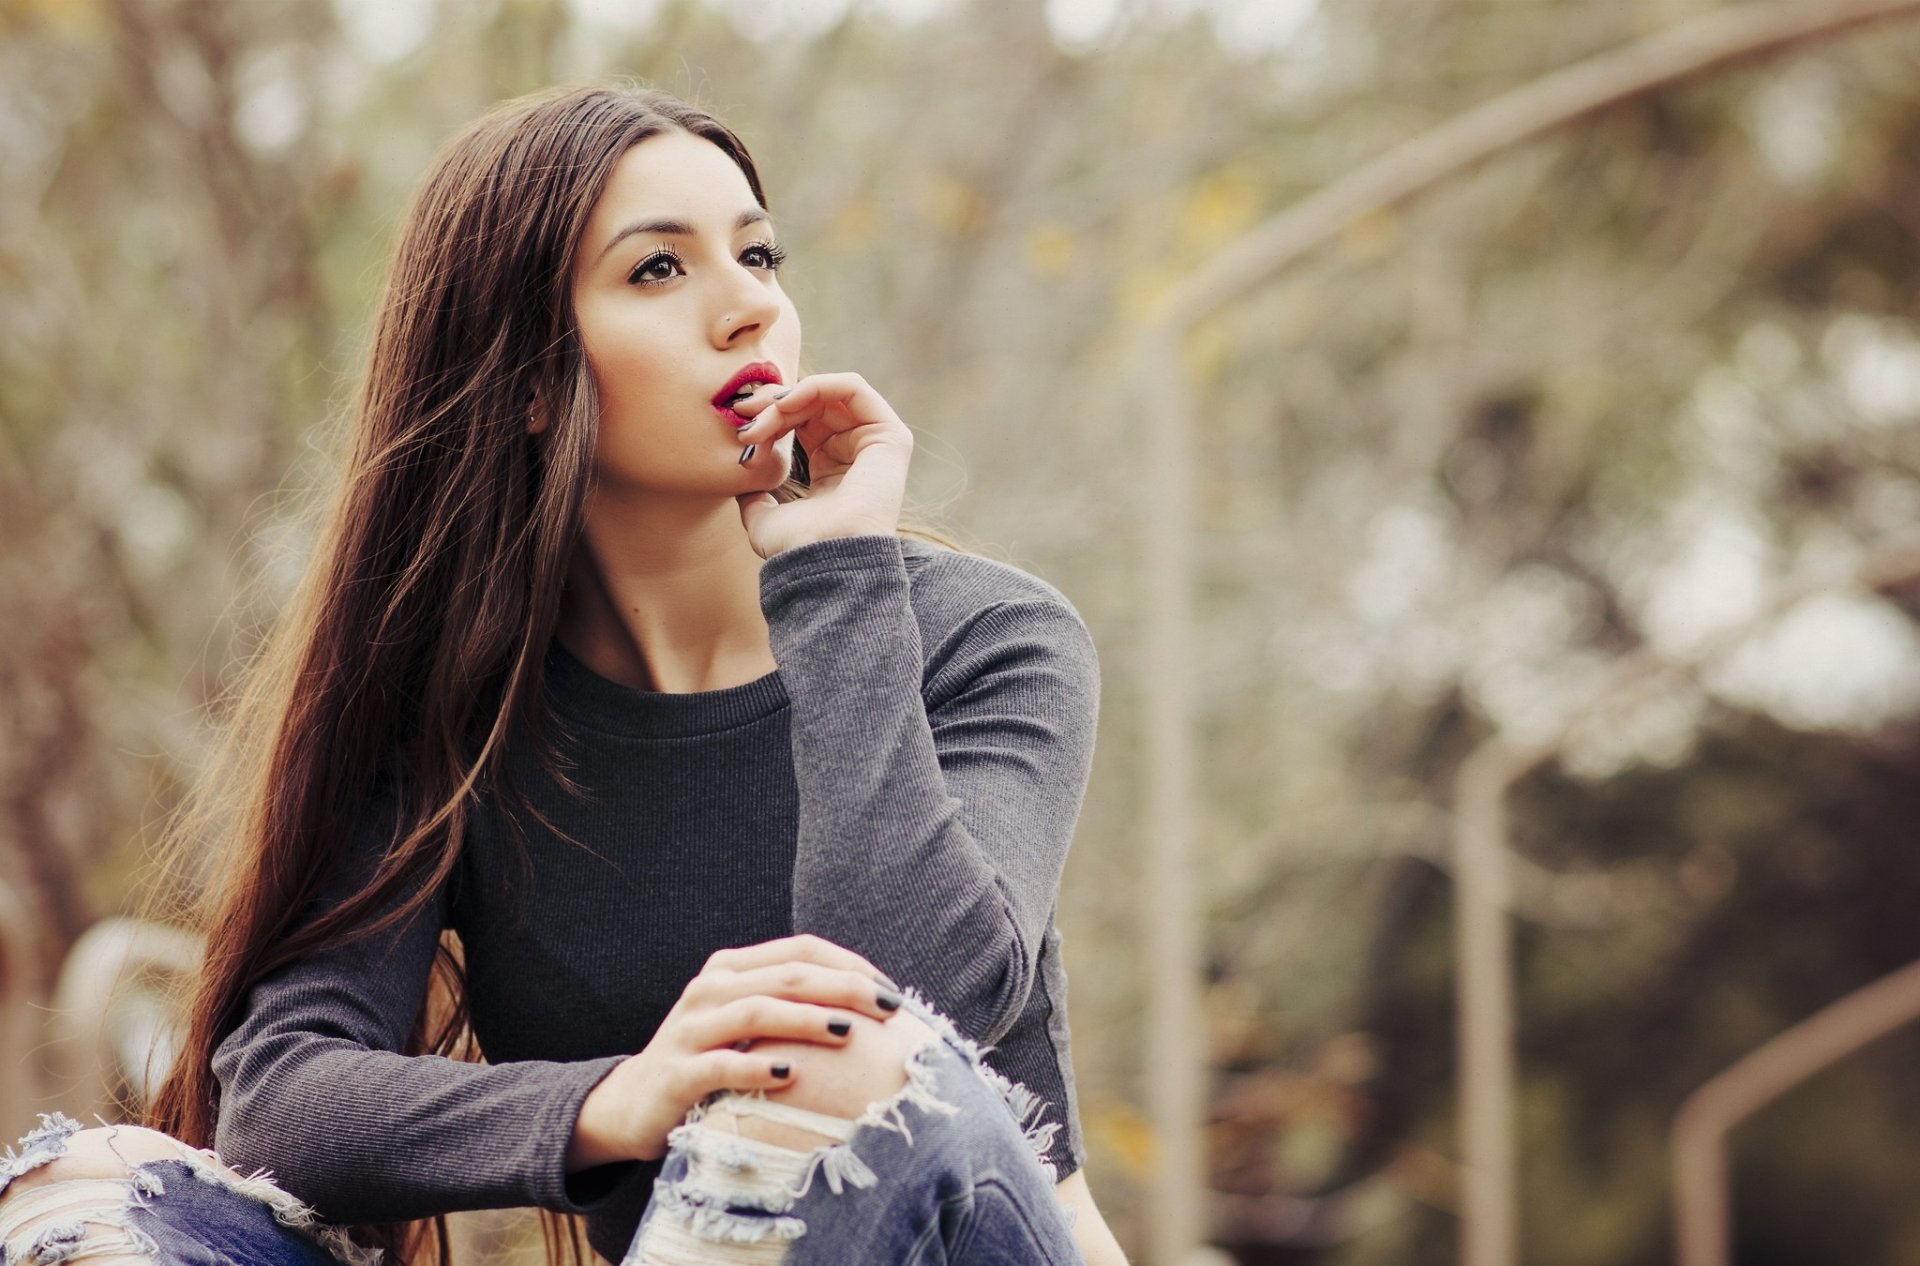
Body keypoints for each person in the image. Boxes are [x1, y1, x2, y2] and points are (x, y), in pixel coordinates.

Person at [0, 83, 1130, 1266]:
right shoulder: (462, 719)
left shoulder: (987, 640)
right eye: (659, 270)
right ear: (530, 383)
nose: (750, 306)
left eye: (757, 253)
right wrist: (618, 1100)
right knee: (94, 1196)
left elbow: (905, 1011)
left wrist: (838, 581)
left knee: (833, 1052)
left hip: (975, 1237)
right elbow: (283, 1101)